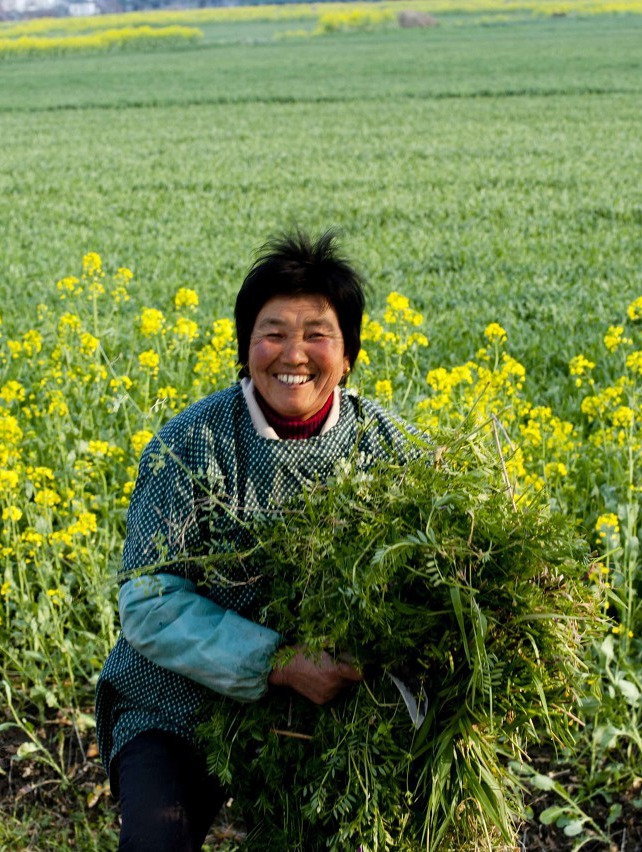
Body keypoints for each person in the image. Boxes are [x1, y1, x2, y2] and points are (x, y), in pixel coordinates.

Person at [95, 230, 417, 851]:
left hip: (329, 718)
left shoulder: (390, 451)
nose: (293, 353)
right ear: (245, 349)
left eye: (317, 334)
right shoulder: (191, 443)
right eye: (273, 332)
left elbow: (450, 567)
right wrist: (280, 662)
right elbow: (148, 603)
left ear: (347, 355)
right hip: (176, 702)